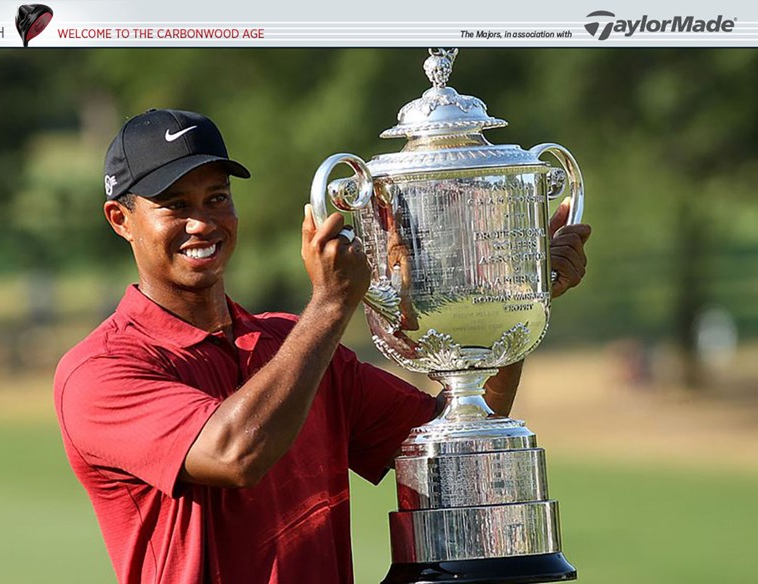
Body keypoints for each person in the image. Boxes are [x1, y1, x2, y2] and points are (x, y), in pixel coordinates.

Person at [54, 109, 591, 584]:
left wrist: (512, 299)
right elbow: (236, 453)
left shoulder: (293, 344)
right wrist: (332, 304)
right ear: (120, 220)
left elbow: (459, 437)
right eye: (174, 205)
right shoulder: (100, 371)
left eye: (216, 197)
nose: (203, 222)